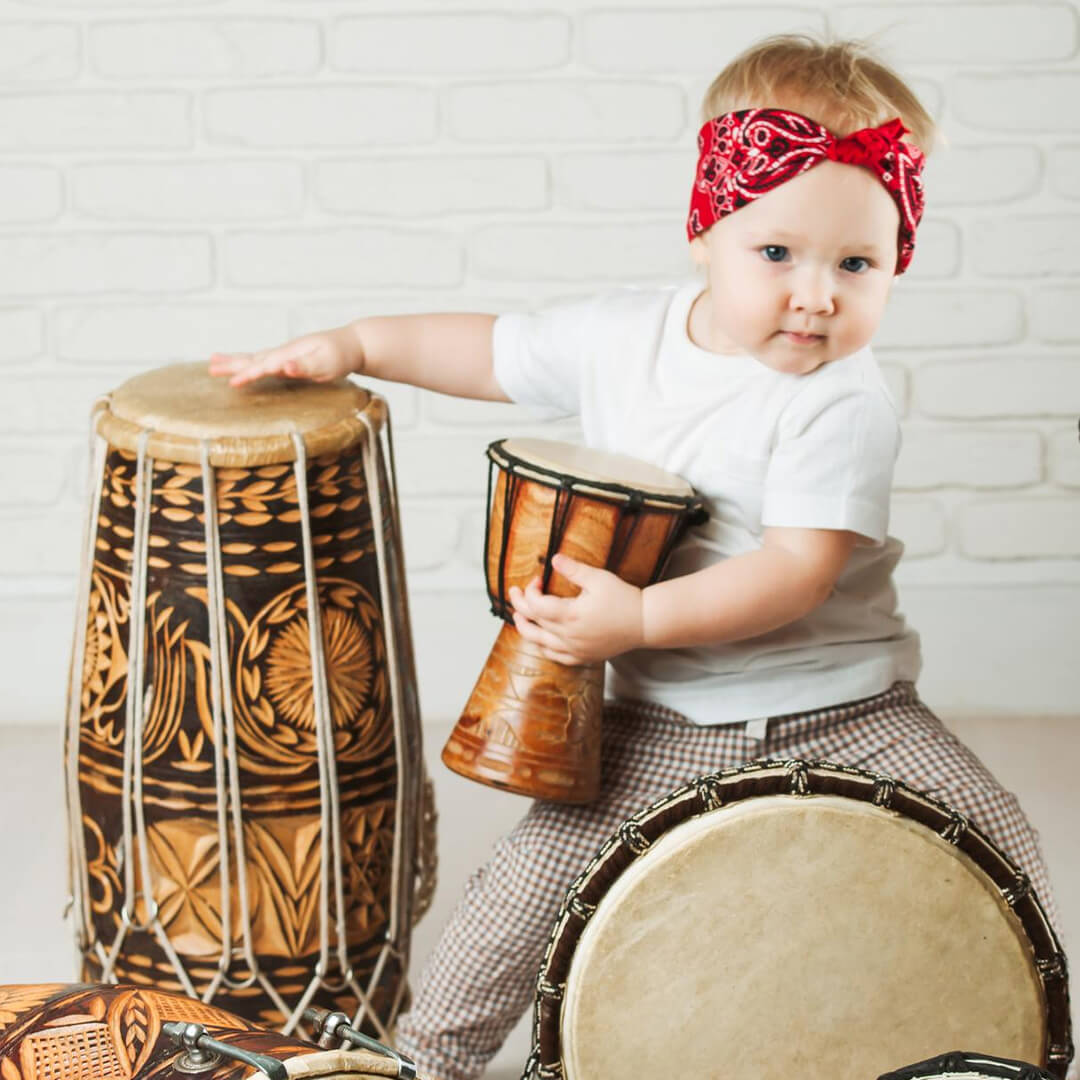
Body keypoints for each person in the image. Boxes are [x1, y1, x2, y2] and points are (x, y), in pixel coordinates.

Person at [209, 34, 1062, 1080]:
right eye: (778, 254)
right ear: (707, 227)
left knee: (994, 839)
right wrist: (351, 346)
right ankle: (427, 1060)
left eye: (858, 264)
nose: (817, 295)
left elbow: (796, 572)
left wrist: (640, 620)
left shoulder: (844, 401)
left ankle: (1001, 1043)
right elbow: (488, 348)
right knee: (524, 888)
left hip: (849, 706)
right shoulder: (624, 338)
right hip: (665, 716)